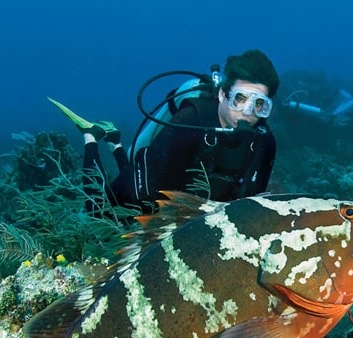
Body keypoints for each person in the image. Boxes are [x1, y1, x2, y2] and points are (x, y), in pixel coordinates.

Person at [69, 49, 279, 214]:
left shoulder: (264, 142)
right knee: (99, 212)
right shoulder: (190, 122)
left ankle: (115, 142)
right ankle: (92, 136)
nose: (247, 112)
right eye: (240, 99)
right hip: (156, 189)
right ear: (223, 94)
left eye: (260, 104)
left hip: (193, 211)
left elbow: (251, 203)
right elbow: (153, 186)